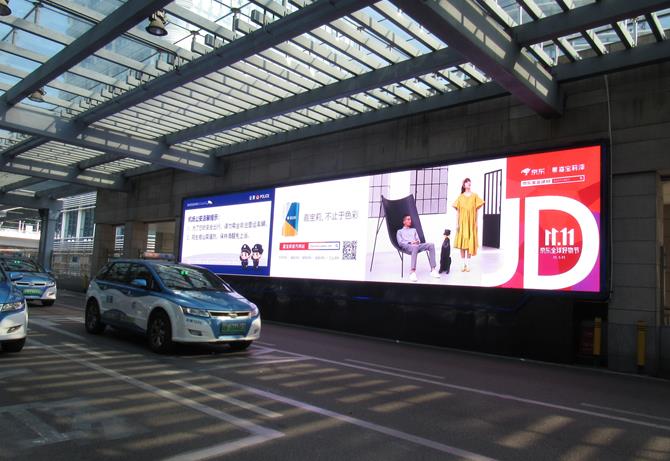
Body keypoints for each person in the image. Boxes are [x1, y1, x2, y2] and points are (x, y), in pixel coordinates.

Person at [452, 178, 484, 272]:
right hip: (462, 223)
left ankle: (468, 264)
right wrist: (457, 223)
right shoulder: (460, 197)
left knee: (470, 243)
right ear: (463, 185)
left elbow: (477, 210)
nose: (468, 183)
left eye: (469, 182)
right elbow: (458, 212)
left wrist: (476, 222)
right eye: (466, 182)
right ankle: (463, 264)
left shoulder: (475, 196)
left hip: (471, 223)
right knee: (462, 244)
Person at [396, 214, 440, 282]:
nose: (410, 221)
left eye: (410, 219)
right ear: (404, 222)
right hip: (407, 246)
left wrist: (416, 242)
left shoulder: (413, 230)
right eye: (408, 219)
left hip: (416, 245)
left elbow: (418, 240)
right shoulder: (400, 231)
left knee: (431, 245)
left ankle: (433, 270)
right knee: (415, 247)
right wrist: (411, 242)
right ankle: (412, 272)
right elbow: (400, 243)